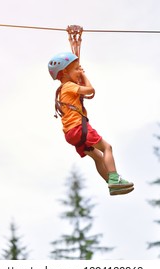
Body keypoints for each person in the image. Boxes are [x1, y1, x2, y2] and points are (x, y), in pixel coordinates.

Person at [48, 52, 134, 196]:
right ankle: (114, 178)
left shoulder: (66, 89)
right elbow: (90, 90)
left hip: (71, 134)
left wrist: (78, 75)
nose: (79, 71)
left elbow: (83, 93)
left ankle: (111, 184)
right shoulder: (68, 86)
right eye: (75, 69)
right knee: (107, 147)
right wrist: (83, 76)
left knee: (98, 157)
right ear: (64, 73)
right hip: (79, 128)